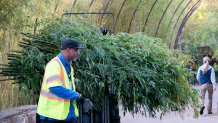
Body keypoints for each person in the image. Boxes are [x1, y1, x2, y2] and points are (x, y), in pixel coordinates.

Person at [37, 38, 93, 123]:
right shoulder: (54, 65)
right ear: (68, 49)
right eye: (76, 50)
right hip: (52, 117)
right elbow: (55, 88)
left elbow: (68, 88)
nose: (78, 53)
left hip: (65, 115)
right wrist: (79, 97)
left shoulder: (69, 67)